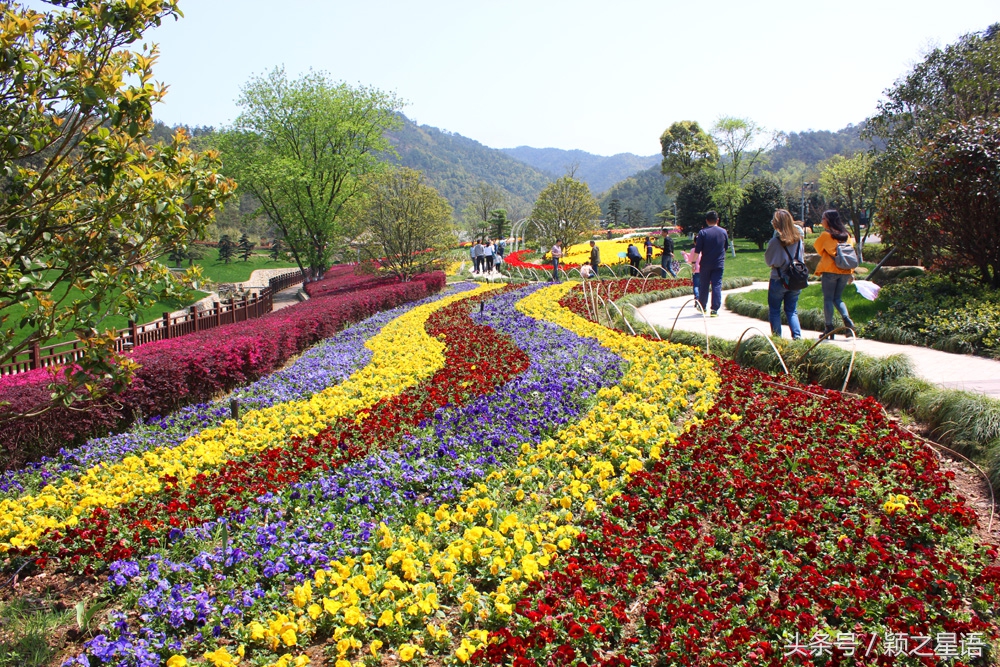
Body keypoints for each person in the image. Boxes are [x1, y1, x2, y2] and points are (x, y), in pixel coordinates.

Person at [813, 209, 855, 340]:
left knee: (828, 299)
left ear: (829, 220)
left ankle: (829, 328)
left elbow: (818, 249)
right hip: (845, 271)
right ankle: (847, 321)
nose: (821, 221)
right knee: (838, 298)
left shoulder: (826, 235)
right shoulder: (847, 235)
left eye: (823, 219)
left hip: (830, 271)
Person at [764, 209, 804, 339]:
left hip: (778, 279)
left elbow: (769, 261)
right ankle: (797, 337)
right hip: (795, 279)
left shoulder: (775, 241)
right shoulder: (799, 240)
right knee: (792, 310)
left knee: (775, 311)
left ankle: (777, 339)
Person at [690, 211, 728, 316]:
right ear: (718, 220)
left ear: (706, 221)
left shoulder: (702, 233)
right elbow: (726, 247)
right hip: (718, 263)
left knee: (704, 285)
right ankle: (714, 309)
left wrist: (693, 262)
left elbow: (697, 250)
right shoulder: (723, 232)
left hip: (706, 263)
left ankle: (702, 306)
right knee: (716, 285)